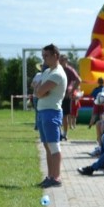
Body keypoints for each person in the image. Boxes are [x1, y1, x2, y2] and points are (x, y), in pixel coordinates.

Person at [34, 44, 68, 188]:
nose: (44, 59)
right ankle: (50, 176)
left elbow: (39, 91)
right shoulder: (47, 71)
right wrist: (40, 90)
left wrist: (40, 90)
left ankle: (56, 177)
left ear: (55, 55)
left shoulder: (57, 74)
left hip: (51, 112)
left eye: (46, 56)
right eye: (43, 56)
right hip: (43, 112)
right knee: (47, 146)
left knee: (54, 146)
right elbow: (37, 89)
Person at [59, 54, 80, 140]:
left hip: (65, 95)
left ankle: (65, 133)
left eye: (62, 60)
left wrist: (71, 91)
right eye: (59, 60)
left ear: (66, 61)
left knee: (65, 115)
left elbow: (78, 80)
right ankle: (58, 132)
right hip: (57, 94)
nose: (60, 62)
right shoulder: (58, 69)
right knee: (56, 114)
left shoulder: (69, 70)